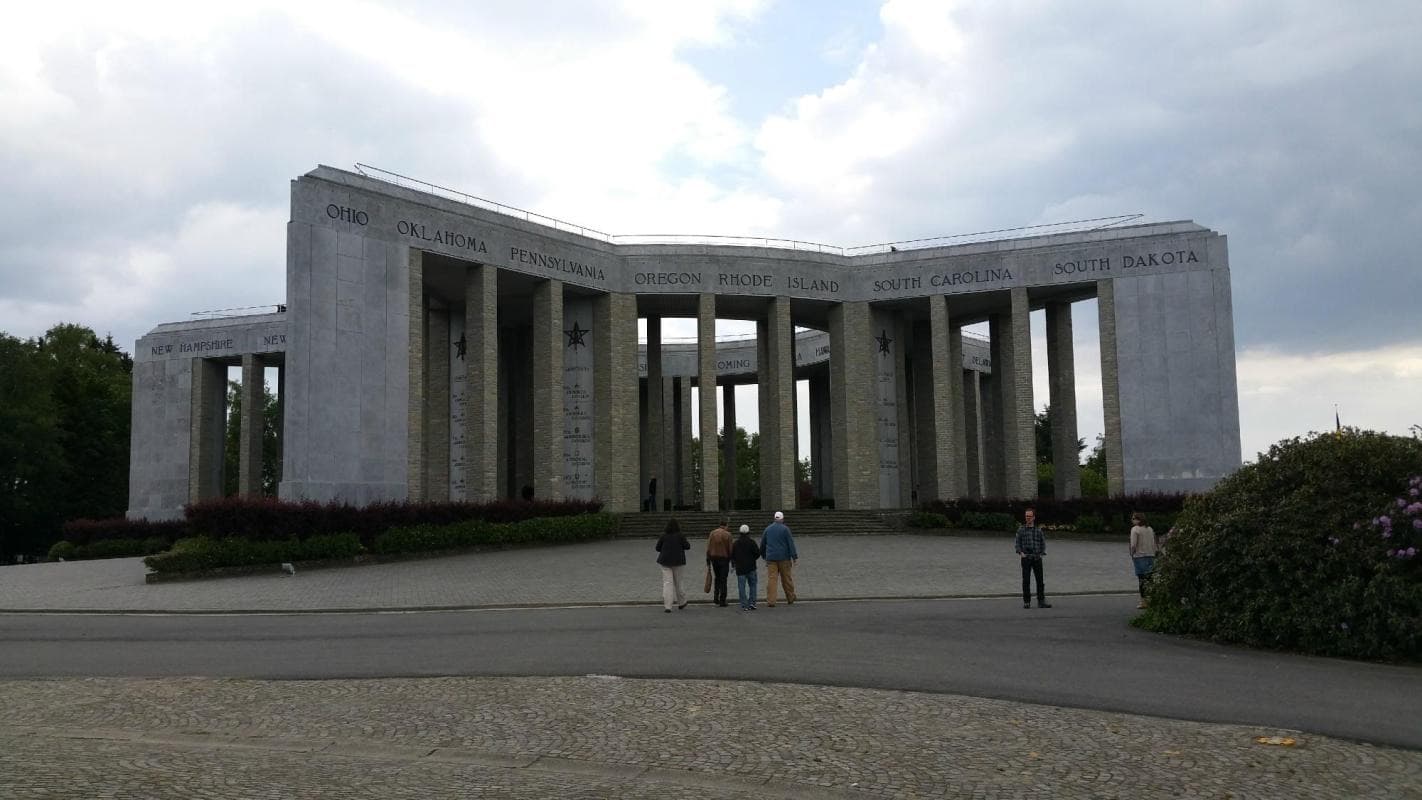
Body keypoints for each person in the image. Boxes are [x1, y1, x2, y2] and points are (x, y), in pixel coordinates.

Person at [1013, 507, 1051, 609]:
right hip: (1026, 558)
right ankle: (1027, 601)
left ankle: (1041, 600)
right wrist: (1021, 553)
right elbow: (1017, 544)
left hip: (1037, 558)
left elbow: (1043, 543)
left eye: (1030, 516)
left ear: (1034, 517)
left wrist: (1042, 554)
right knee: (1026, 580)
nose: (1028, 518)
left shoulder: (1038, 531)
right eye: (1026, 516)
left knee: (1040, 581)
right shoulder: (1021, 530)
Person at [760, 511, 798, 607]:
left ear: (774, 518)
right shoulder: (785, 529)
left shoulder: (767, 529)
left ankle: (771, 601)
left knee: (772, 579)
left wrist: (764, 555)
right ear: (782, 519)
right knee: (786, 579)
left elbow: (763, 544)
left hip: (771, 558)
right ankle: (790, 597)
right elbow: (790, 543)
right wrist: (794, 557)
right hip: (784, 558)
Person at [654, 517, 690, 612]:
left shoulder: (664, 535)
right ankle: (681, 602)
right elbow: (687, 546)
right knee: (679, 583)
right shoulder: (680, 535)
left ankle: (668, 606)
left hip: (665, 561)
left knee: (667, 583)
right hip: (678, 561)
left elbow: (657, 548)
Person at [1129, 512, 1158, 609]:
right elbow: (1154, 542)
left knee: (1142, 580)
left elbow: (1133, 544)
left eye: (1133, 518)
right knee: (1150, 579)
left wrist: (1132, 554)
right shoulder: (1150, 529)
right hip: (1151, 556)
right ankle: (1153, 599)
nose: (1132, 520)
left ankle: (1143, 602)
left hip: (1140, 556)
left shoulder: (1135, 529)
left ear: (1139, 520)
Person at [731, 524, 761, 611]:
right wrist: (752, 559)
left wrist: (734, 564)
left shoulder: (736, 543)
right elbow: (757, 554)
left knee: (741, 587)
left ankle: (744, 605)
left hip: (740, 569)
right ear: (748, 532)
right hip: (751, 567)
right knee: (753, 585)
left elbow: (732, 556)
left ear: (739, 533)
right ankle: (752, 603)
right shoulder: (752, 542)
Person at [706, 518, 734, 607]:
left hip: (714, 558)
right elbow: (730, 549)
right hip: (724, 559)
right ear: (726, 525)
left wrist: (708, 559)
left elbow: (708, 547)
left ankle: (715, 597)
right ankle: (723, 600)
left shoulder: (712, 533)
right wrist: (732, 561)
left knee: (717, 578)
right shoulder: (728, 535)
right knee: (723, 579)